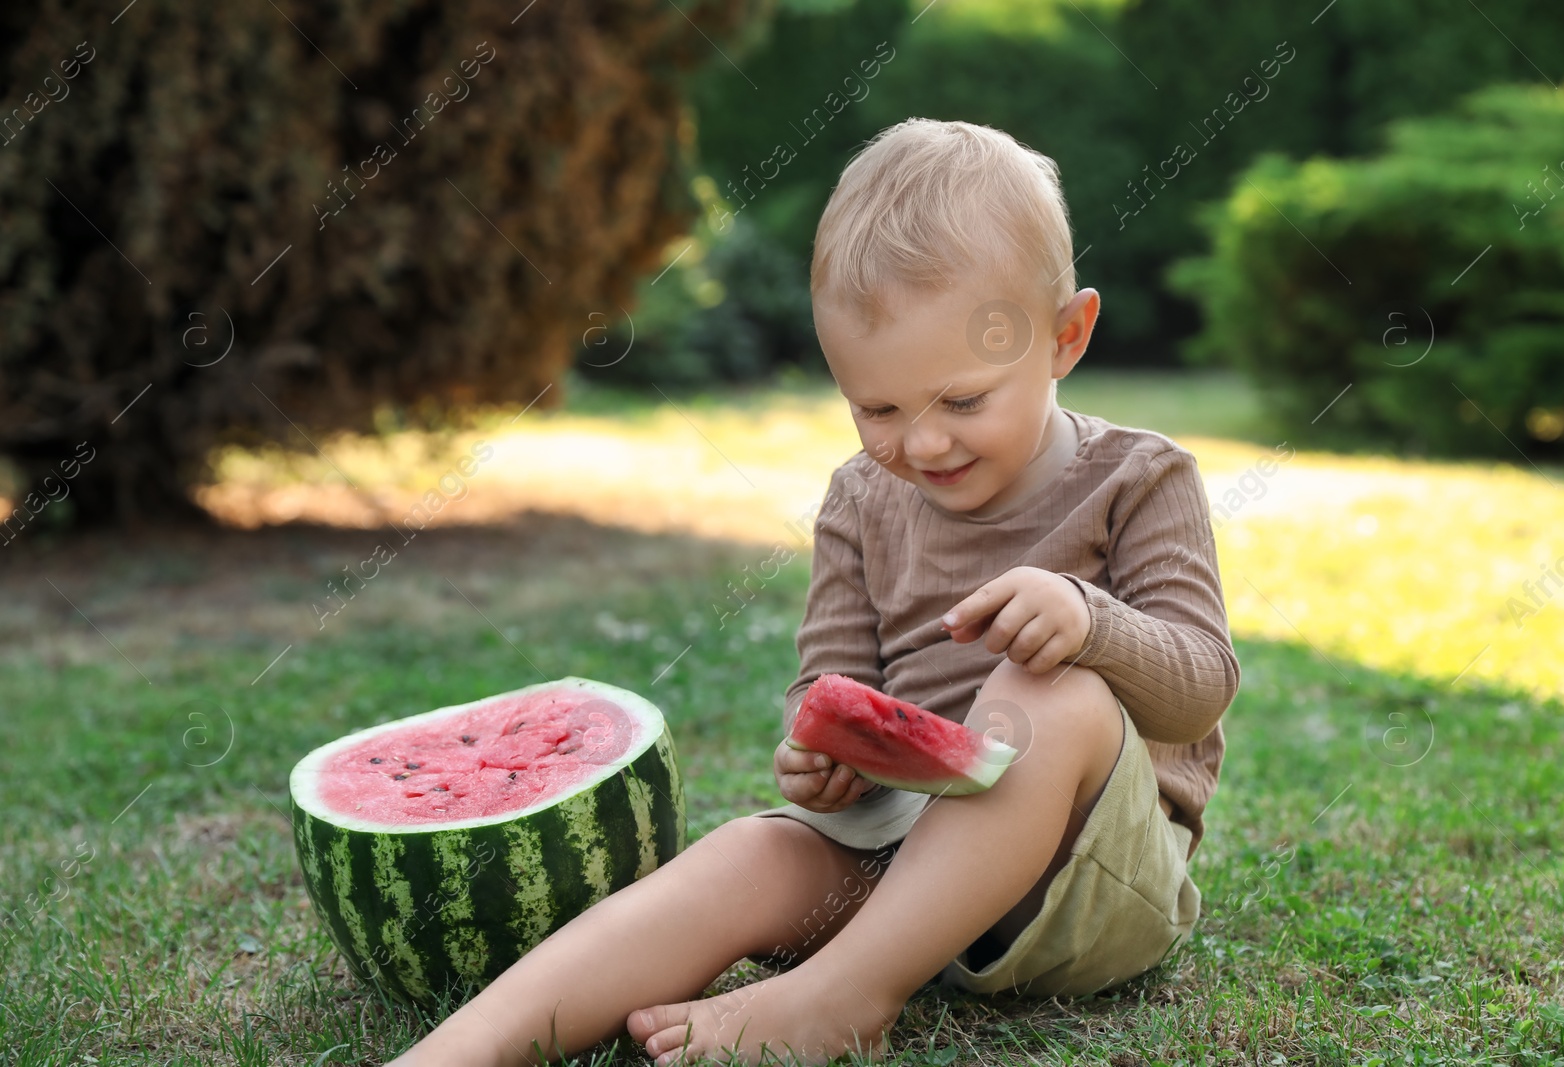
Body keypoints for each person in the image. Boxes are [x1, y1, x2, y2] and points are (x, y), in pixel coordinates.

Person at [390, 117, 1240, 1067]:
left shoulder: (1141, 480)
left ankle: (843, 997)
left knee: (1050, 688)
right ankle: (454, 1053)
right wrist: (816, 754)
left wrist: (1091, 623)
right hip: (898, 867)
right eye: (876, 407)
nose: (920, 446)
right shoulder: (862, 498)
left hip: (1081, 888)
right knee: (743, 854)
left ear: (1065, 336)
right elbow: (827, 683)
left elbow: (1203, 684)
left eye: (962, 401)